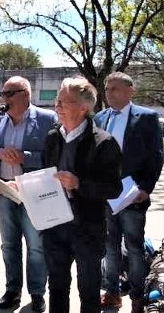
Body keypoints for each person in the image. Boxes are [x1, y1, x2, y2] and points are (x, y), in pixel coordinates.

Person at [0, 76, 57, 312]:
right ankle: (12, 290)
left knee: (36, 246)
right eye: (2, 94)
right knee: (9, 245)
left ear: (25, 94)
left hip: (33, 192)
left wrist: (25, 157)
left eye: (9, 94)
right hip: (3, 191)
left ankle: (37, 293)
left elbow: (54, 156)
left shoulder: (46, 119)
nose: (4, 99)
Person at [41, 77, 123, 313]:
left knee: (88, 291)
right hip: (55, 225)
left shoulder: (104, 143)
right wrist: (29, 188)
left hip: (87, 228)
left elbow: (113, 188)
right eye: (57, 101)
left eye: (63, 102)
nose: (57, 106)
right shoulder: (52, 137)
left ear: (83, 108)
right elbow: (47, 173)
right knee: (56, 287)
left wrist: (79, 183)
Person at [94, 72, 163, 313]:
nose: (109, 92)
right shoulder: (100, 117)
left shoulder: (146, 117)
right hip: (106, 196)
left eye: (115, 88)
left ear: (130, 90)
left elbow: (155, 156)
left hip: (133, 195)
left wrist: (145, 188)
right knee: (109, 247)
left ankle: (137, 295)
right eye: (107, 88)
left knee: (134, 247)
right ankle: (112, 293)